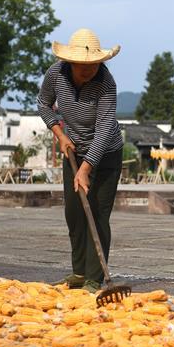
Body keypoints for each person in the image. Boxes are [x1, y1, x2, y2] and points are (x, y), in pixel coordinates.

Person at [37, 29, 124, 293]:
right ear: (70, 62)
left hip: (106, 153)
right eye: (82, 66)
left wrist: (87, 168)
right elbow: (43, 104)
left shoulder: (106, 84)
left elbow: (105, 127)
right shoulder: (56, 74)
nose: (88, 70)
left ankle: (94, 278)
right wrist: (59, 134)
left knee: (97, 212)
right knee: (74, 212)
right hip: (73, 149)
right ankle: (78, 272)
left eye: (93, 65)